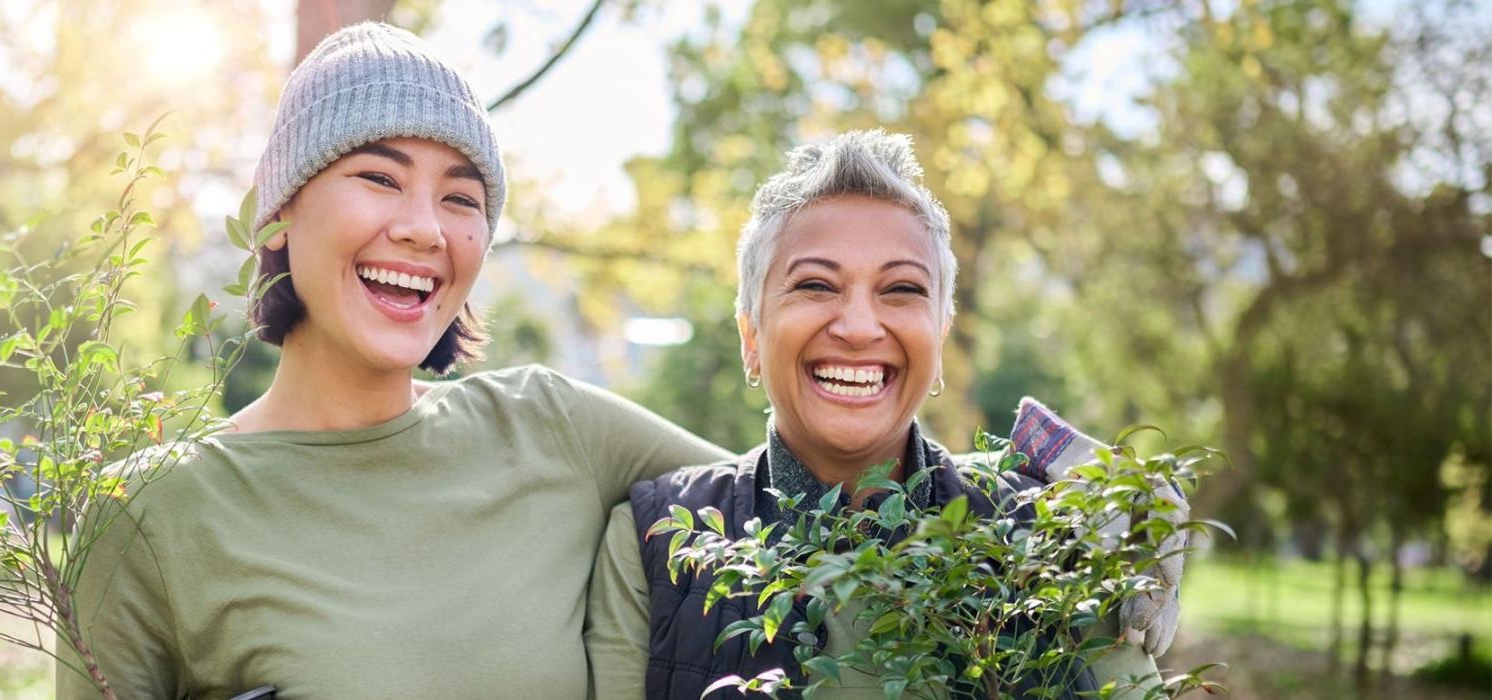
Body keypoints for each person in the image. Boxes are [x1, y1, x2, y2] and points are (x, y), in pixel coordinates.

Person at [59, 24, 1171, 700]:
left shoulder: (552, 428)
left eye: (462, 197)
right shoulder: (149, 520)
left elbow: (829, 483)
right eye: (377, 177)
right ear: (279, 212)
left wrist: (1083, 515)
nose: (422, 226)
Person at [584, 131, 1168, 699]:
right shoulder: (652, 539)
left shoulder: (1050, 530)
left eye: (902, 289)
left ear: (940, 338)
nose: (860, 327)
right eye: (815, 284)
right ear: (751, 338)